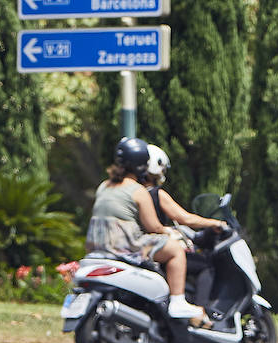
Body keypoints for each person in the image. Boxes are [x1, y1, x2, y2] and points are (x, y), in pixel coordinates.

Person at [86, 137, 204, 319]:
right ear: (142, 165)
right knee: (174, 250)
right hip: (125, 245)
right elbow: (154, 226)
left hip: (97, 245)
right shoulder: (137, 190)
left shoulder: (104, 186)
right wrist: (168, 232)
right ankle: (178, 301)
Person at [141, 144, 228, 240]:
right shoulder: (156, 194)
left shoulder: (136, 192)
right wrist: (215, 223)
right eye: (163, 169)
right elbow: (186, 219)